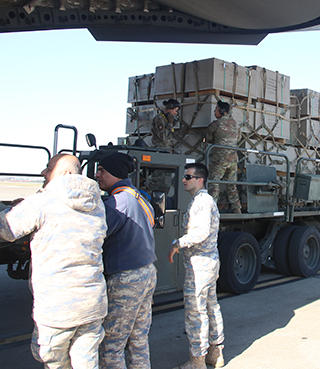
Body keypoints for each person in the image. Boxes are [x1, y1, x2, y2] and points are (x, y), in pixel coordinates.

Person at [0, 154, 107, 369]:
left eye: (49, 167)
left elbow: (5, 228)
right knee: (87, 361)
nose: (43, 173)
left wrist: (10, 210)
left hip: (58, 307)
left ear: (64, 174)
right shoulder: (96, 203)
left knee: (51, 360)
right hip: (92, 302)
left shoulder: (44, 201)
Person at [94, 153, 158, 369]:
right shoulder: (140, 197)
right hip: (147, 273)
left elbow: (94, 236)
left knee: (112, 345)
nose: (97, 175)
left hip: (126, 279)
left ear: (115, 174)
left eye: (102, 170)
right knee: (138, 339)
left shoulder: (117, 202)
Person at [168, 163, 225, 369]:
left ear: (200, 180)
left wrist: (178, 244)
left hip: (199, 266)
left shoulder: (202, 202)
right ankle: (215, 353)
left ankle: (197, 361)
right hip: (208, 263)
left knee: (196, 313)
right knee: (211, 306)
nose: (183, 180)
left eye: (188, 177)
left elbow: (200, 233)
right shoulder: (204, 200)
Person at [204, 100, 242, 214]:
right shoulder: (236, 124)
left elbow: (209, 138)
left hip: (220, 159)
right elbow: (238, 139)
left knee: (213, 183)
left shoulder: (215, 124)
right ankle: (237, 209)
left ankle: (211, 211)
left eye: (216, 109)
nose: (214, 111)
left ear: (222, 111)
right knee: (232, 185)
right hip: (233, 159)